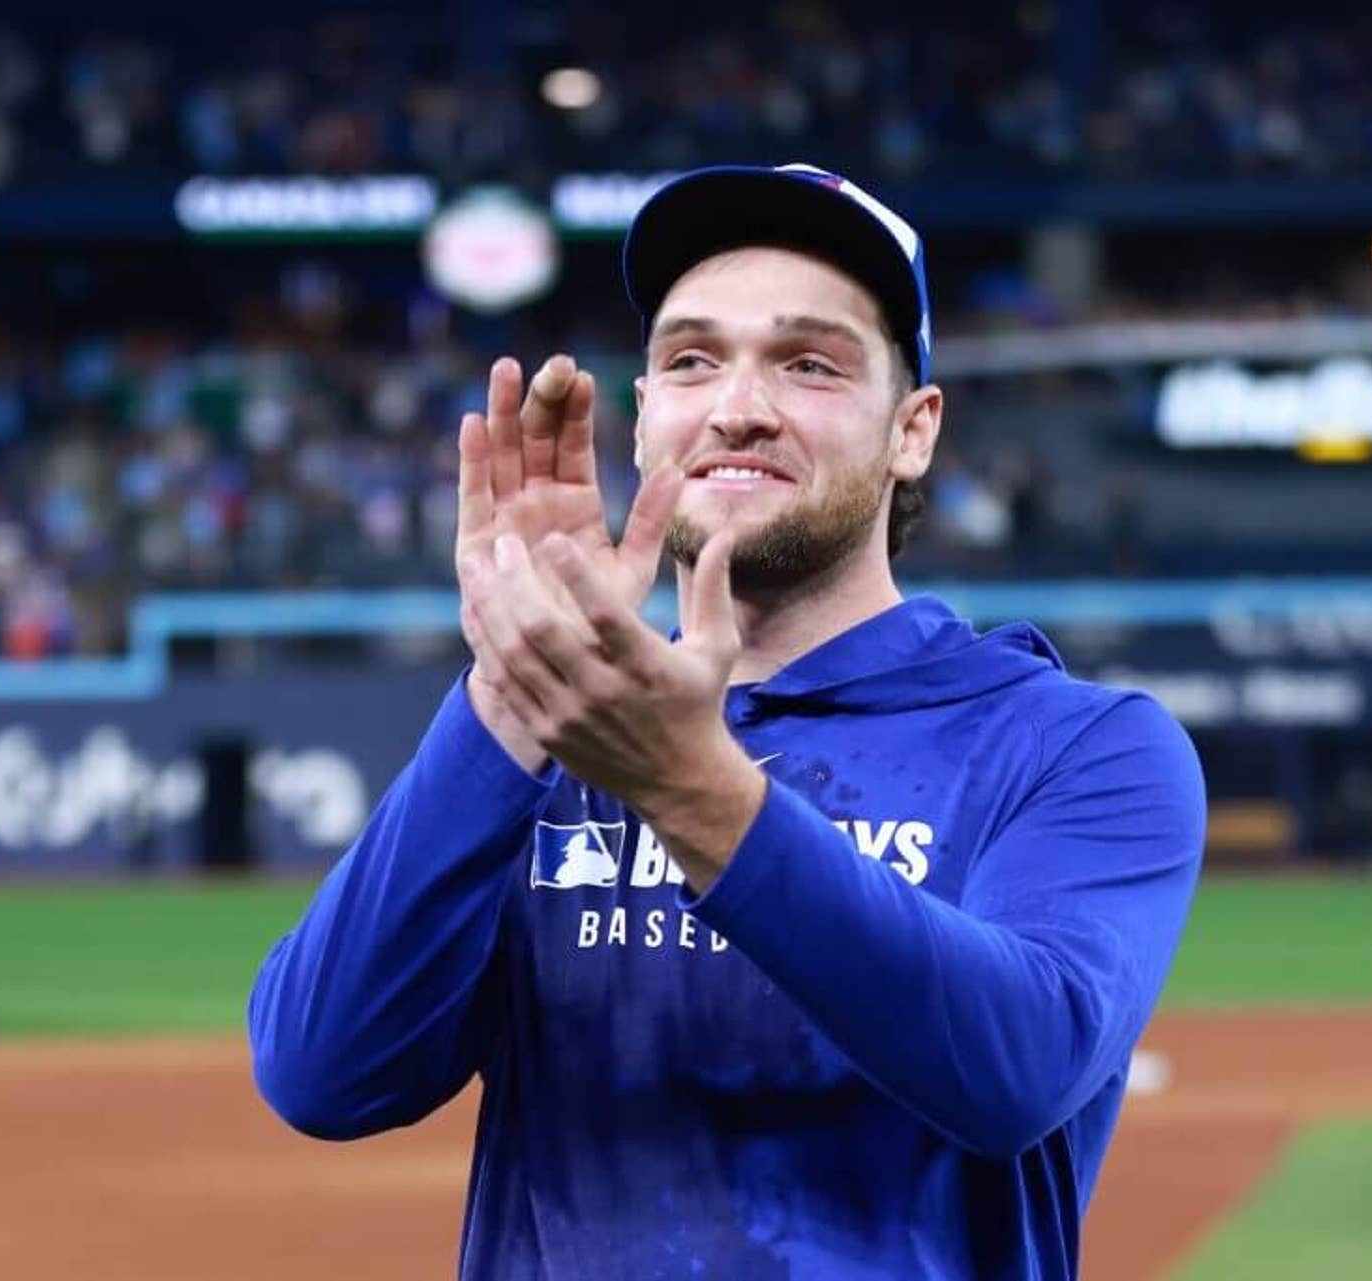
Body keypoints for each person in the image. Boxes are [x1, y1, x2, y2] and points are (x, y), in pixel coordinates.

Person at [248, 163, 1207, 1279]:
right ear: (648, 416)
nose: (738, 407)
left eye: (810, 365)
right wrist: (513, 687)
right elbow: (324, 1072)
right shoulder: (556, 733)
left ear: (914, 430)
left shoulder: (1075, 745)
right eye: (692, 359)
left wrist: (691, 787)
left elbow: (1014, 1069)